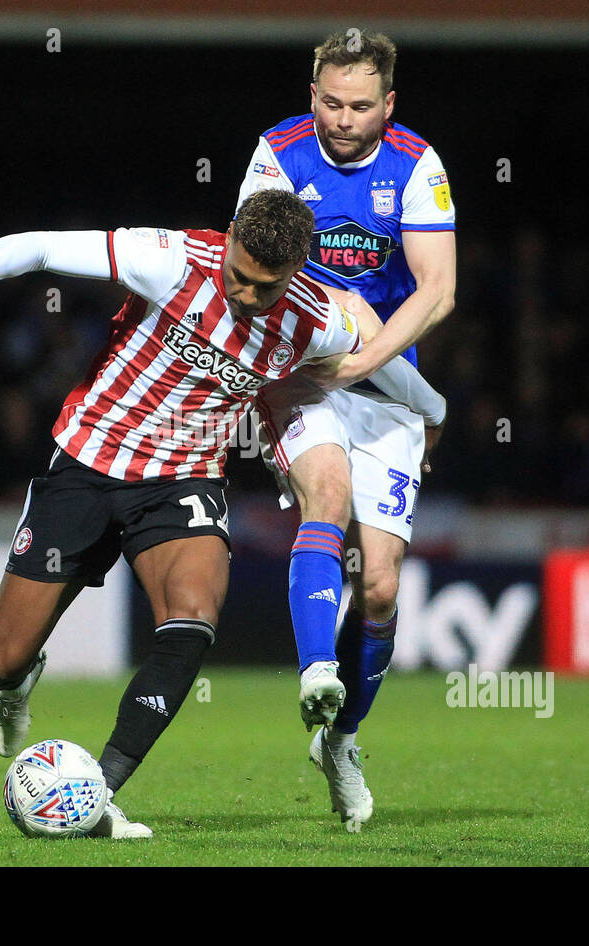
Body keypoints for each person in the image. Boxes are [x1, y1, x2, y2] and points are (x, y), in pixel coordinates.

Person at [0, 189, 441, 837]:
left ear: (297, 273)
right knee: (0, 659)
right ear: (228, 240)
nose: (245, 295)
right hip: (87, 462)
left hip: (183, 483)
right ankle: (14, 680)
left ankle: (97, 795)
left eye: (264, 288)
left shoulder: (311, 320)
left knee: (193, 619)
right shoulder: (169, 258)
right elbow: (48, 245)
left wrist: (431, 409)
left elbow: (373, 339)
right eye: (238, 275)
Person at [237, 30, 457, 831]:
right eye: (330, 101)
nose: (343, 119)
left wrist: (367, 357)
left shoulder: (417, 166)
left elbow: (438, 293)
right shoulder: (278, 155)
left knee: (383, 586)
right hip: (303, 373)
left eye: (361, 106)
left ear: (388, 105)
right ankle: (316, 671)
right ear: (313, 93)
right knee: (325, 495)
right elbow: (251, 269)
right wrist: (333, 316)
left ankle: (343, 740)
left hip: (383, 380)